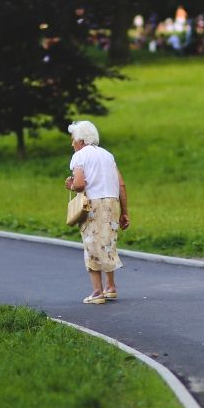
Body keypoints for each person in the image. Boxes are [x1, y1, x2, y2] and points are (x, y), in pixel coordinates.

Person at [64, 120, 130, 305]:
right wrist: (125, 212)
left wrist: (71, 185)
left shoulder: (79, 156)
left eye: (73, 140)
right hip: (112, 203)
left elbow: (79, 184)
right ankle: (111, 288)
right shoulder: (108, 155)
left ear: (81, 140)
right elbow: (121, 185)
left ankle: (97, 292)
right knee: (108, 243)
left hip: (93, 205)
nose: (72, 144)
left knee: (92, 245)